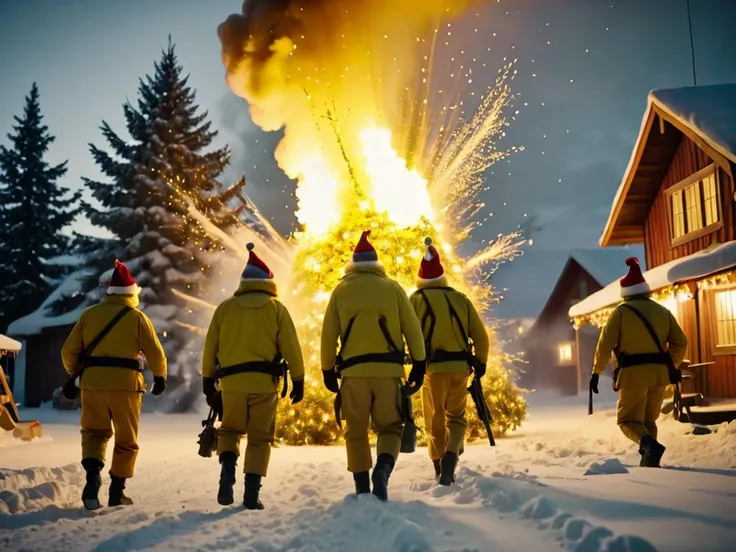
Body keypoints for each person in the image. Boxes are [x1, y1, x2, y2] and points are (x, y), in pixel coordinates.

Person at [321, 230, 426, 501]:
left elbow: (328, 334)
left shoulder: (340, 291)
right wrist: (419, 364)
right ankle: (383, 468)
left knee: (354, 429)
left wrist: (327, 369)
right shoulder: (392, 288)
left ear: (353, 264)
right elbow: (412, 329)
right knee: (391, 426)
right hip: (389, 373)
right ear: (376, 264)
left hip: (353, 375)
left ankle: (361, 486)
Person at [201, 243, 305, 510]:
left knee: (230, 430)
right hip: (264, 385)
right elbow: (291, 347)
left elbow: (210, 346)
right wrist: (299, 379)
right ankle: (251, 493)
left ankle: (227, 473)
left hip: (231, 384)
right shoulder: (277, 309)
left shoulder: (225, 308)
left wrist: (208, 380)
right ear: (268, 281)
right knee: (260, 437)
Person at [61, 260, 167, 510]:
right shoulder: (137, 318)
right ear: (132, 293)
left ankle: (92, 478)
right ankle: (117, 493)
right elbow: (155, 353)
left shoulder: (88, 315)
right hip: (126, 387)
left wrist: (77, 376)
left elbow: (68, 351)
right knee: (126, 439)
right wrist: (160, 378)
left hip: (93, 385)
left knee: (94, 433)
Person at [590, 257, 687, 467]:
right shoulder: (663, 312)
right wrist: (669, 364)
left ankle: (647, 445)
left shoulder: (620, 314)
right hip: (659, 377)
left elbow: (604, 346)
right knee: (648, 422)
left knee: (627, 421)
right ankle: (650, 461)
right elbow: (681, 342)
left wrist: (596, 373)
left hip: (633, 376)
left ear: (625, 292)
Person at [410, 238, 489, 485]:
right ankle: (451, 457)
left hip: (431, 370)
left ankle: (439, 462)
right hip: (459, 368)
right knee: (456, 418)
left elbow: (406, 333)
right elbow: (480, 336)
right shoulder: (461, 299)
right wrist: (481, 363)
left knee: (435, 419)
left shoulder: (415, 300)